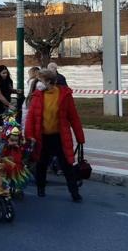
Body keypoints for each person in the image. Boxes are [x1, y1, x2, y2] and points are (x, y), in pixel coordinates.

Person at [25, 69, 84, 202]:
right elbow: (31, 118)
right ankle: (41, 188)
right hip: (42, 137)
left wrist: (80, 137)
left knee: (67, 165)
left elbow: (73, 117)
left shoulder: (64, 95)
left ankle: (74, 192)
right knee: (41, 164)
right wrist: (29, 135)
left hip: (60, 136)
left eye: (41, 80)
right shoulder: (37, 96)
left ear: (49, 82)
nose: (38, 83)